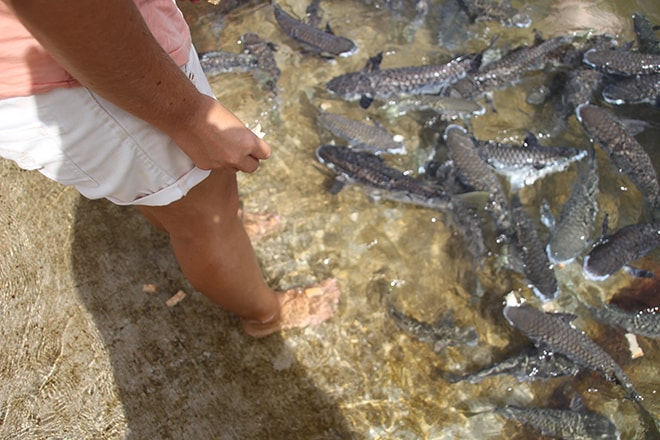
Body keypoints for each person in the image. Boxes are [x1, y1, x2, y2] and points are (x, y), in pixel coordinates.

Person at [0, 0, 340, 338]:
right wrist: (188, 117)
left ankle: (211, 225)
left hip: (83, 57)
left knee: (169, 190)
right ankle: (265, 315)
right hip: (88, 65)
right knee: (207, 216)